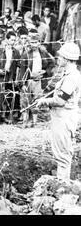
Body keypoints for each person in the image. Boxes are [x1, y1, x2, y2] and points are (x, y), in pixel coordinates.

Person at [36, 42, 81, 180]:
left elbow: (61, 101)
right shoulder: (70, 74)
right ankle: (63, 182)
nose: (58, 59)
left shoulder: (71, 77)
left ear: (67, 59)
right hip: (63, 117)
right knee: (63, 152)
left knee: (62, 155)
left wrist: (45, 101)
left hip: (64, 118)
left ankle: (63, 185)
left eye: (60, 57)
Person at [19, 32, 55, 128]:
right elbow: (22, 70)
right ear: (29, 43)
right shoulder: (26, 54)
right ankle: (25, 122)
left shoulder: (43, 53)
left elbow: (52, 63)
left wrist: (45, 71)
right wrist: (22, 83)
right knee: (25, 101)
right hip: (28, 80)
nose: (34, 45)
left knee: (36, 101)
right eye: (32, 42)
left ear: (39, 43)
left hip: (39, 81)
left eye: (36, 42)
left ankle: (34, 122)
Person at [0, 31, 21, 123]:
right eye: (12, 40)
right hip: (0, 76)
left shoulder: (16, 52)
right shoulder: (0, 50)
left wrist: (16, 78)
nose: (13, 42)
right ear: (7, 40)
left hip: (10, 77)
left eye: (14, 40)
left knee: (8, 96)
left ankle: (5, 115)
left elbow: (18, 66)